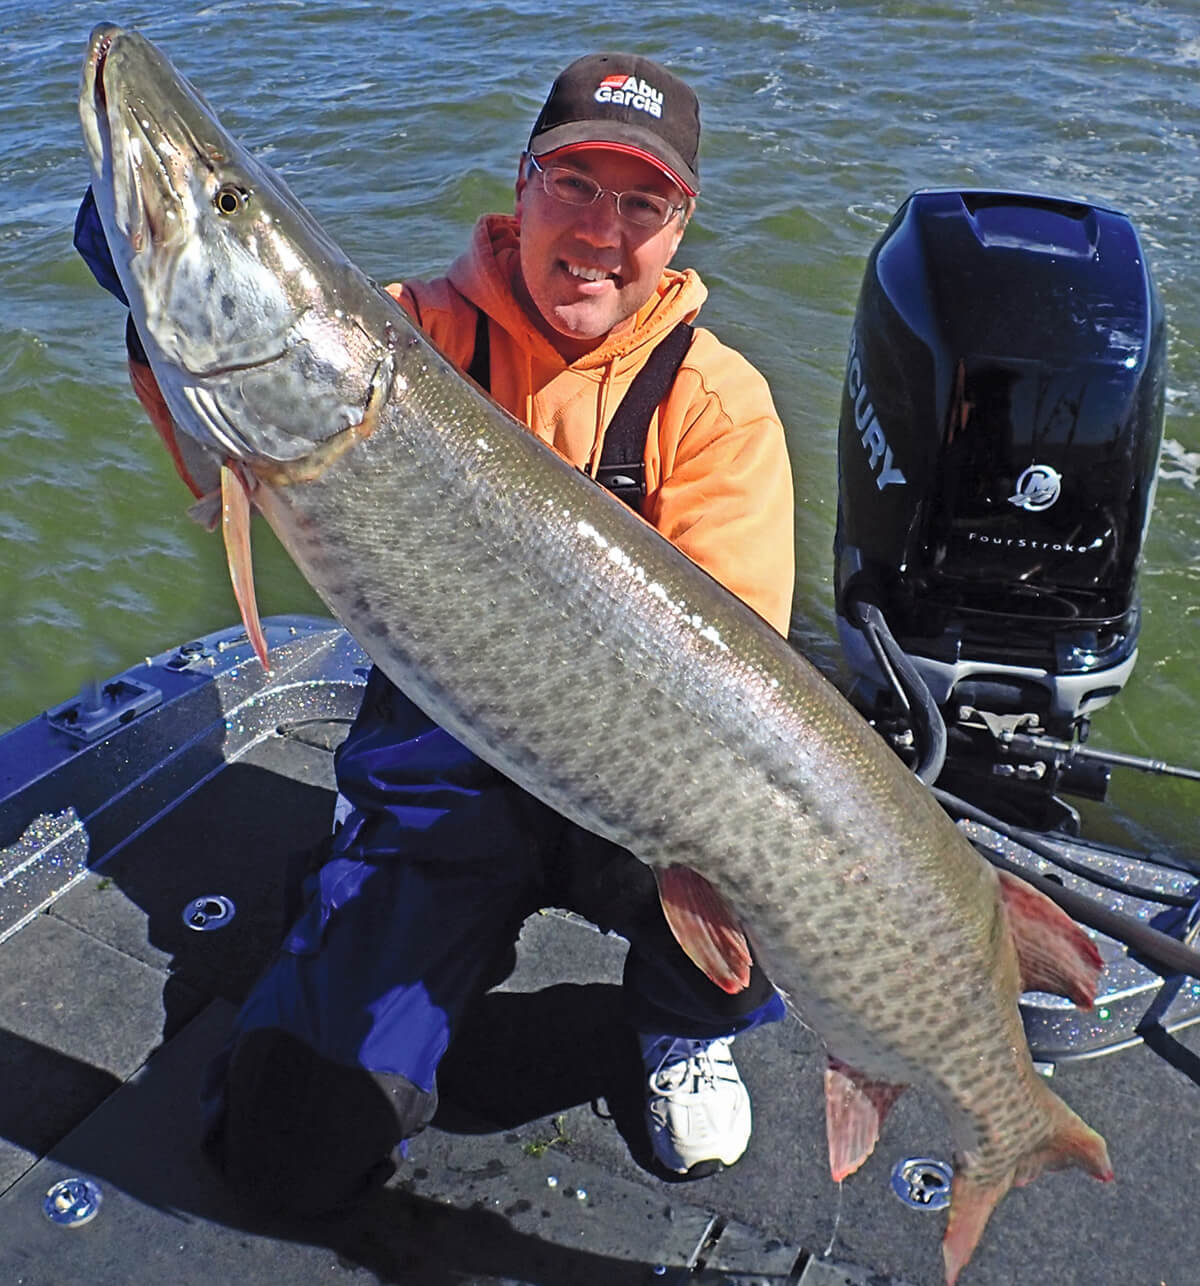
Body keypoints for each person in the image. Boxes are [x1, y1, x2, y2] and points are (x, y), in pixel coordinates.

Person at [77, 52, 795, 1216]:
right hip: (441, 786)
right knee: (284, 1147)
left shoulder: (715, 402)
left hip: (637, 777)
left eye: (641, 202)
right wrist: (153, 284)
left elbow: (726, 701)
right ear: (521, 183)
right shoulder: (397, 335)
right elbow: (235, 469)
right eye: (573, 183)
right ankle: (387, 961)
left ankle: (671, 1028)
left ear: (680, 223)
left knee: (775, 889)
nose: (601, 229)